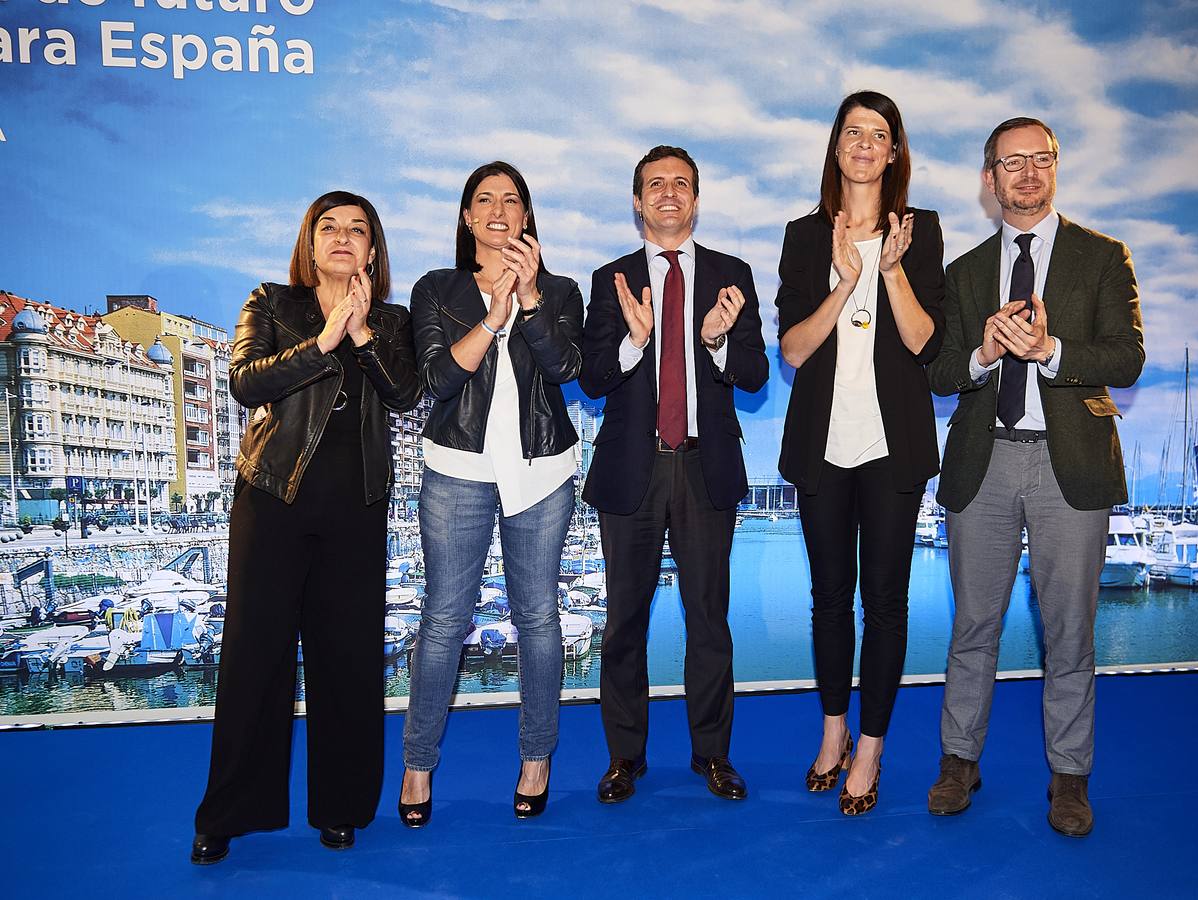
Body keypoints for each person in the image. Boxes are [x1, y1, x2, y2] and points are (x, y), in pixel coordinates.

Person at [926, 118, 1144, 837]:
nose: (1025, 173)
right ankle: (960, 760)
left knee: (1070, 632)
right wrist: (983, 353)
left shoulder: (1104, 257)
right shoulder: (961, 273)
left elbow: (1127, 359)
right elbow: (939, 371)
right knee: (973, 625)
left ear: (1055, 168)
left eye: (1039, 159)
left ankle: (1071, 776)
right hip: (982, 461)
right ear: (988, 180)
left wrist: (1050, 348)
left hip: (1069, 466)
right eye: (1009, 163)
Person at [192, 190, 421, 864]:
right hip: (272, 501)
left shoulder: (391, 318)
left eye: (358, 230)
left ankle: (342, 807)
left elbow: (406, 395)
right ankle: (227, 813)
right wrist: (322, 343)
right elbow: (243, 382)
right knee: (253, 660)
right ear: (309, 241)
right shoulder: (271, 302)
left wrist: (361, 338)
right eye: (330, 228)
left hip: (356, 507)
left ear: (373, 250)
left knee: (347, 661)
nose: (343, 239)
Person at [580, 145, 768, 804]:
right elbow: (591, 376)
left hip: (704, 466)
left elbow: (755, 374)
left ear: (695, 197)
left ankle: (712, 756)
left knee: (708, 621)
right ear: (637, 201)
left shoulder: (730, 274)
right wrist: (634, 342)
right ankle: (623, 759)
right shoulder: (611, 280)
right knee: (623, 622)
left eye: (681, 183)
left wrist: (717, 340)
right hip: (632, 471)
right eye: (655, 184)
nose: (668, 193)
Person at [775, 91, 945, 816]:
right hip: (822, 447)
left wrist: (891, 271)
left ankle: (871, 747)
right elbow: (793, 347)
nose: (866, 144)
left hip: (892, 449)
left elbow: (924, 343)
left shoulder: (922, 230)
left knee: (886, 604)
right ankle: (833, 730)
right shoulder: (804, 236)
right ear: (836, 147)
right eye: (854, 132)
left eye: (881, 134)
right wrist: (845, 282)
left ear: (895, 151)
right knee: (828, 601)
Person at [401, 162, 583, 823]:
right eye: (485, 199)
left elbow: (567, 367)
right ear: (467, 218)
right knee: (444, 622)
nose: (499, 208)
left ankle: (537, 759)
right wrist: (491, 318)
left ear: (528, 218)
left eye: (512, 199)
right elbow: (439, 380)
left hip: (542, 472)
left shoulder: (560, 291)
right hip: (457, 471)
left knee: (539, 621)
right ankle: (417, 767)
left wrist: (528, 302)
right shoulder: (437, 289)